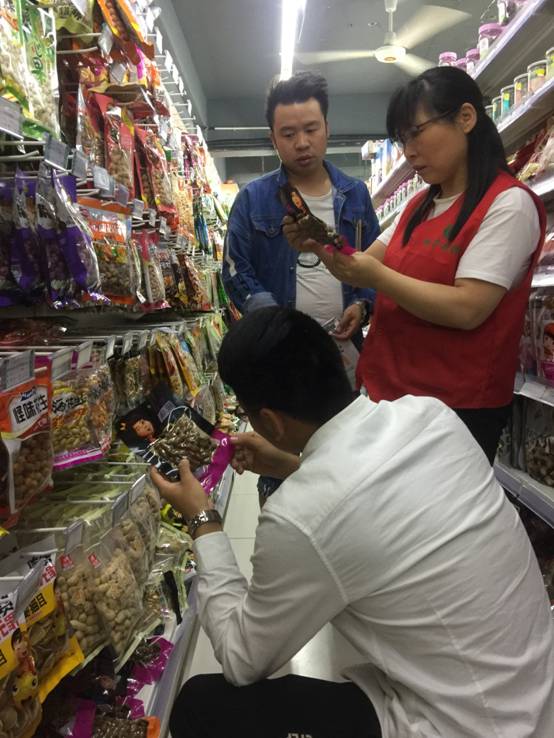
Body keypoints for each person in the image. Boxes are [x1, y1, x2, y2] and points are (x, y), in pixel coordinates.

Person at [152, 307, 554, 738]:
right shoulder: (430, 416)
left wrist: (203, 519)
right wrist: (293, 463)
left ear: (269, 421)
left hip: (469, 726)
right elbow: (369, 498)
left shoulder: (299, 517)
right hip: (532, 694)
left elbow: (240, 658)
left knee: (201, 706)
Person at [283, 67, 546, 464]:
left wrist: (379, 278)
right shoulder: (418, 206)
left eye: (416, 133)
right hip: (389, 395)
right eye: (402, 139)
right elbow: (357, 266)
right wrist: (318, 246)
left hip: (452, 412)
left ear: (465, 118)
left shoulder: (509, 204)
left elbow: (468, 308)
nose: (408, 151)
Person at [222, 70, 380, 500]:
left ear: (327, 127)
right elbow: (235, 269)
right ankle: (285, 524)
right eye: (289, 134)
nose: (302, 142)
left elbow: (374, 262)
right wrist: (279, 323)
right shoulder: (254, 199)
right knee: (284, 456)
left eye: (311, 129)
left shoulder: (355, 195)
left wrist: (363, 304)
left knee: (345, 451)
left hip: (344, 353)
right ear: (273, 139)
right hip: (281, 357)